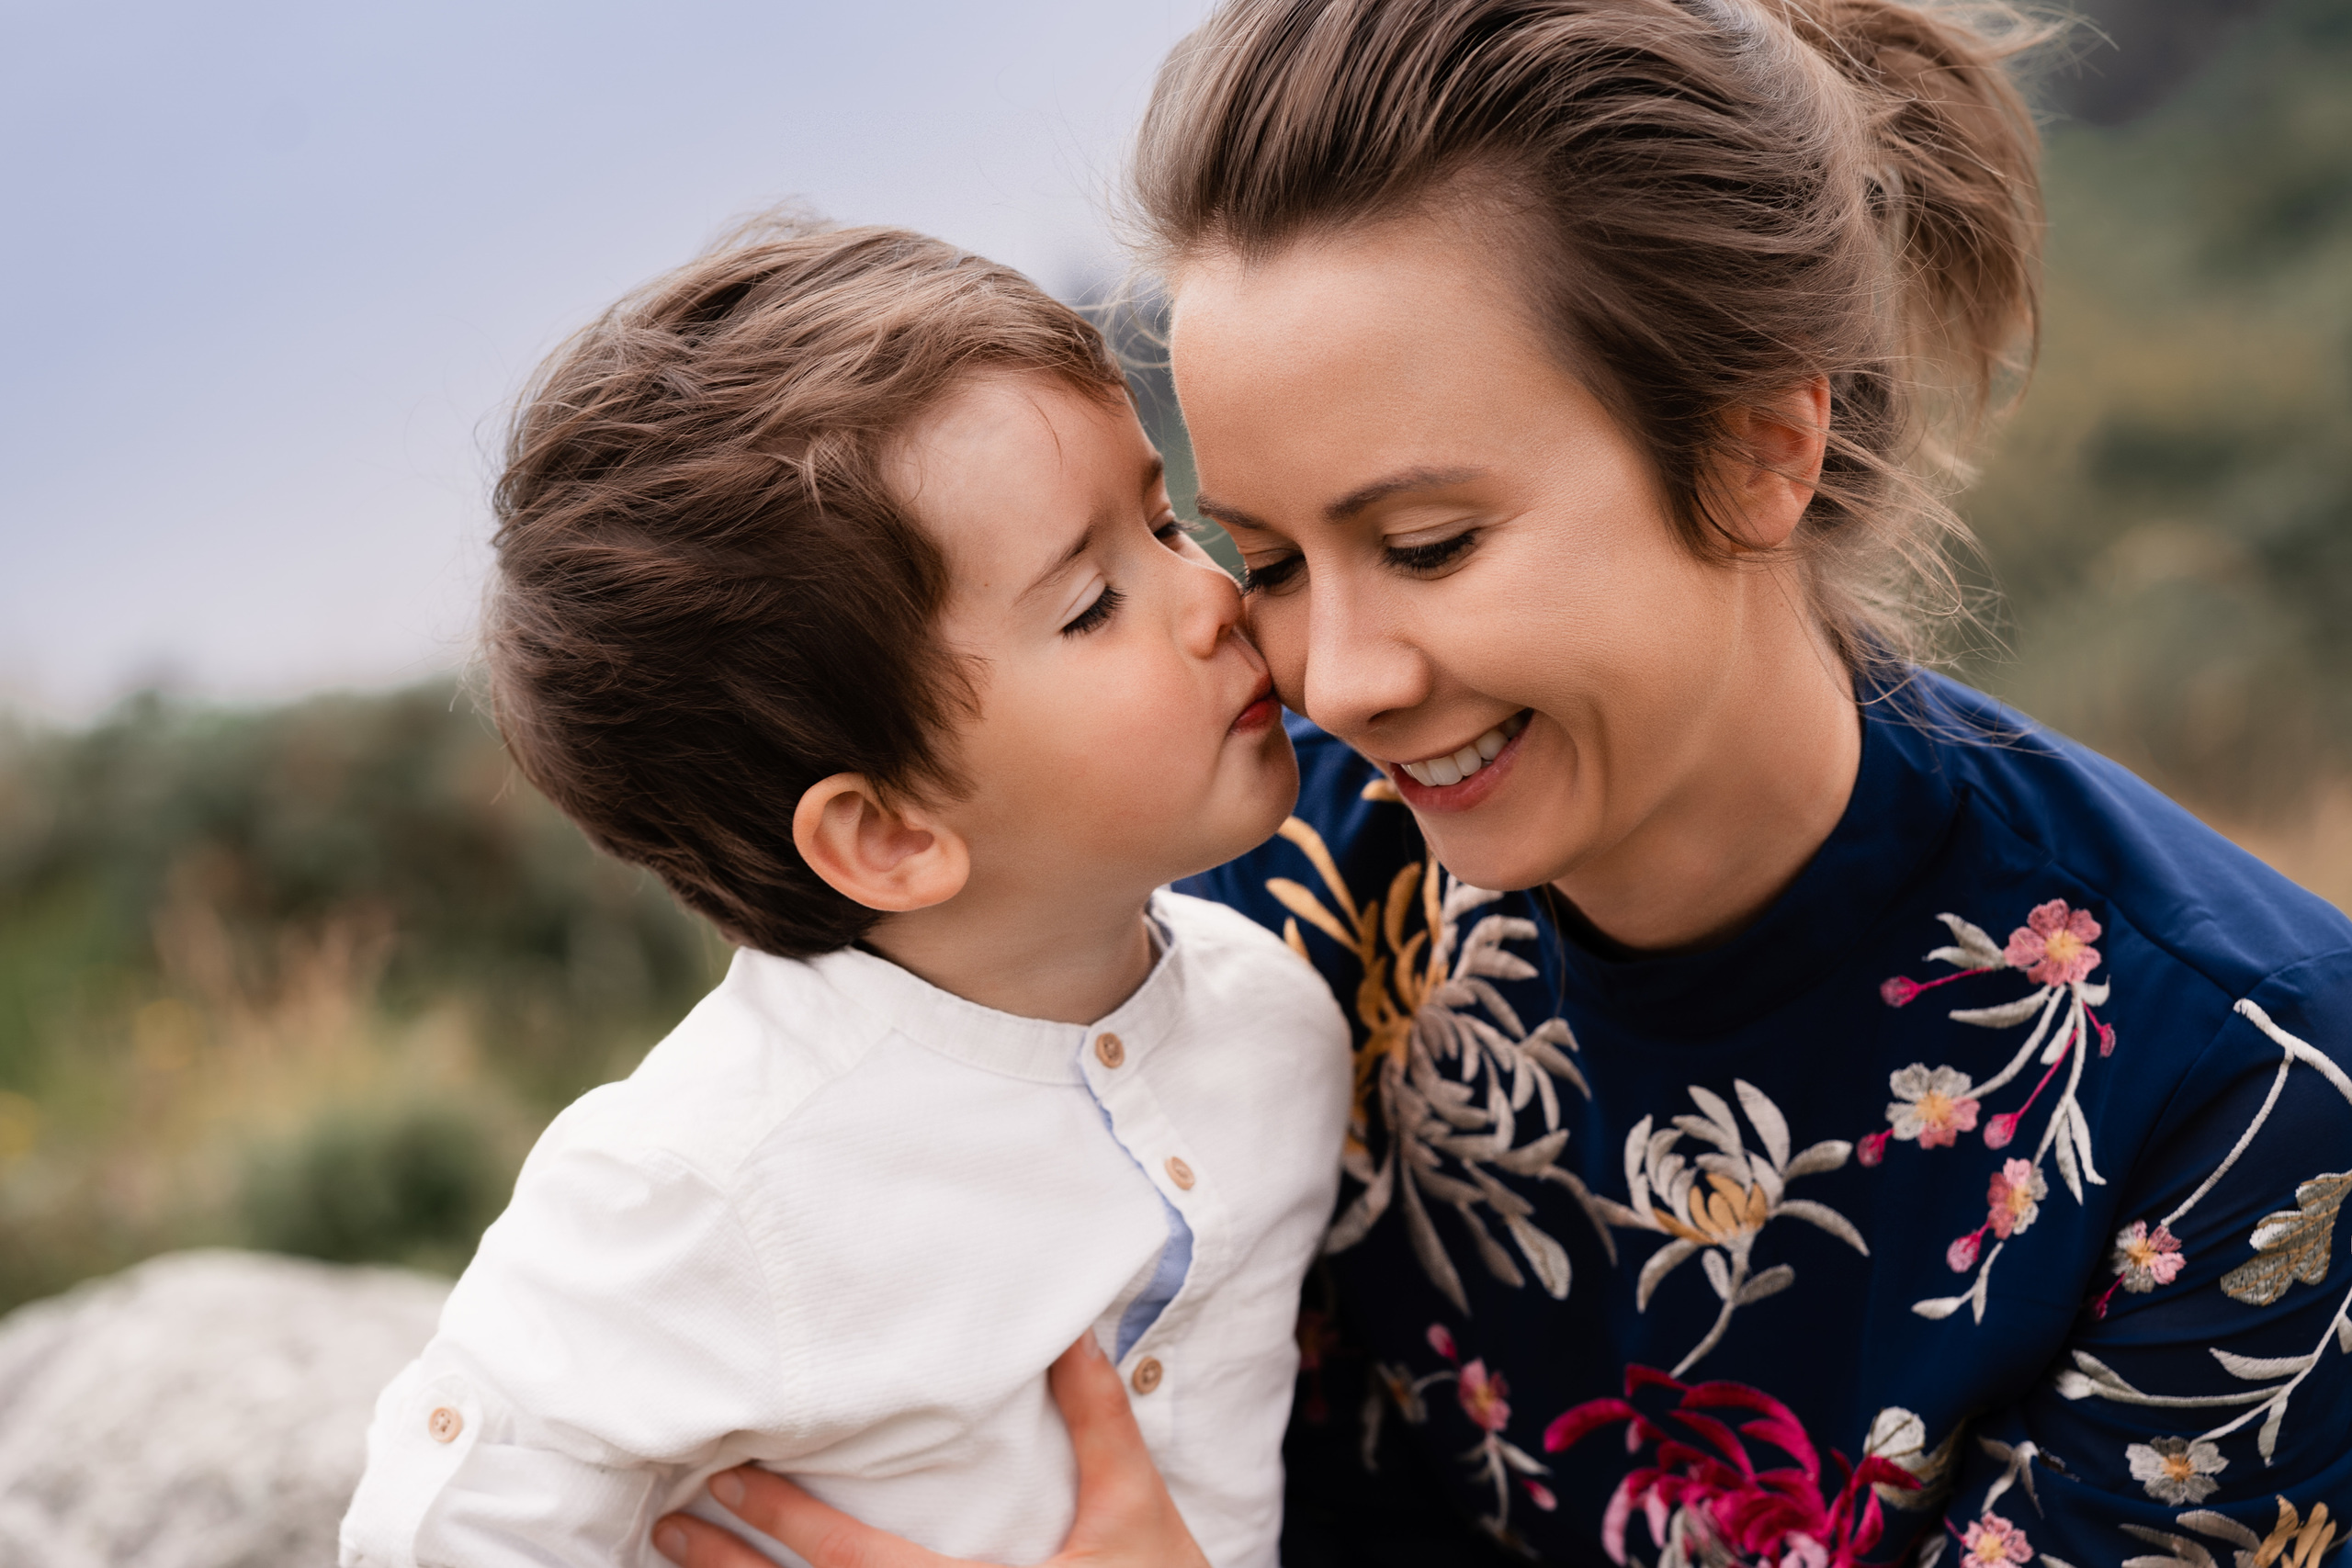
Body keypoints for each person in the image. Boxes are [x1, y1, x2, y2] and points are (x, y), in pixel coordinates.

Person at [655, 2, 2352, 1565]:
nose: (1337, 680)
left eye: (1427, 542)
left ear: (1764, 444)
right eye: (1265, 558)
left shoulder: (2244, 1111)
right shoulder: (1267, 879)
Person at [336, 222, 1353, 1568]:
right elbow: (443, 1531)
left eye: (1165, 522)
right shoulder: (706, 1178)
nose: (1214, 596)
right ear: (884, 834)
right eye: (1094, 602)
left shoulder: (1279, 1016)